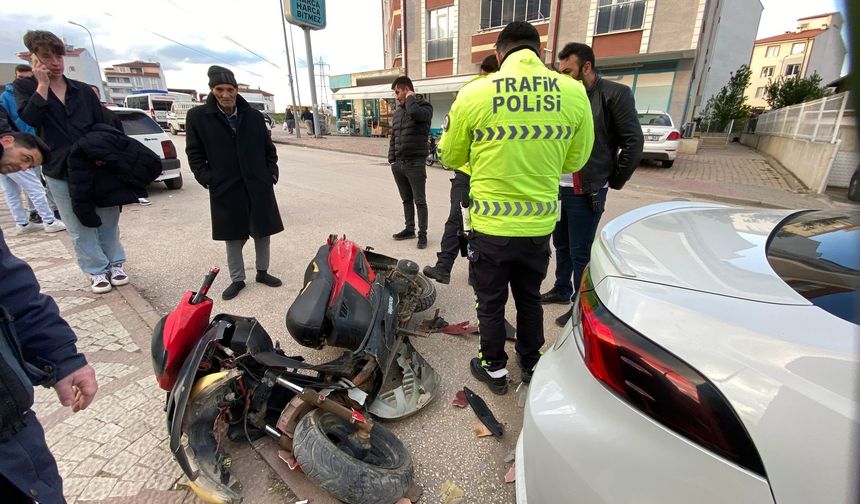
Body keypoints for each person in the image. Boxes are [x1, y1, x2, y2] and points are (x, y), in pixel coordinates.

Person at [438, 22, 594, 395]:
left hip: (491, 227)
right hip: (538, 227)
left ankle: (493, 368)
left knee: (490, 301)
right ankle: (530, 361)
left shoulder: (475, 92)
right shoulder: (572, 92)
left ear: (499, 53)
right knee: (529, 297)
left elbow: (449, 156)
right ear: (541, 52)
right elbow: (576, 160)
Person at [0, 132, 98, 503]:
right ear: (8, 140)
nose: (21, 168)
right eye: (25, 159)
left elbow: (10, 286)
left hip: (9, 434)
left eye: (29, 165)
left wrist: (61, 358)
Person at [15, 30, 130, 294]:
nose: (55, 62)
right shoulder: (27, 88)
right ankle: (96, 269)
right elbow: (30, 119)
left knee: (107, 216)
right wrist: (42, 85)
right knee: (76, 222)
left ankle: (115, 262)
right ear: (34, 58)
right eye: (47, 57)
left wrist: (104, 155)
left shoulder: (82, 90)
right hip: (59, 167)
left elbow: (101, 123)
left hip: (93, 163)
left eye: (58, 56)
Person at [540, 43, 643, 327]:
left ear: (586, 67)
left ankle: (580, 304)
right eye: (561, 72)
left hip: (586, 188)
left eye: (569, 72)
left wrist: (612, 180)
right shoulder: (562, 96)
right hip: (557, 187)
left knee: (580, 251)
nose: (563, 77)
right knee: (561, 244)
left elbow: (633, 142)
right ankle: (562, 289)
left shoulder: (614, 94)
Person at [185, 65, 284, 301]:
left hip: (258, 184)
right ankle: (237, 279)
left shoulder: (253, 116)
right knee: (233, 236)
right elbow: (194, 154)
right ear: (211, 90)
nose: (225, 94)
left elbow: (269, 150)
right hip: (226, 186)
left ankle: (262, 272)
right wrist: (208, 179)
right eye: (220, 89)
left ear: (236, 90)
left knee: (263, 231)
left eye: (230, 89)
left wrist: (271, 174)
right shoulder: (198, 117)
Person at [423, 54, 499, 284]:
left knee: (458, 220)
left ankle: (445, 267)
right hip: (491, 173)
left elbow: (452, 144)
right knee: (482, 224)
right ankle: (470, 269)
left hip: (468, 172)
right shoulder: (508, 97)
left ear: (482, 71)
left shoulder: (472, 93)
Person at [2, 63, 59, 224]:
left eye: (28, 78)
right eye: (21, 78)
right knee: (31, 185)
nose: (24, 82)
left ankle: (24, 222)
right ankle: (47, 220)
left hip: (33, 142)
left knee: (26, 185)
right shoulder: (6, 98)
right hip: (19, 146)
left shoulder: (36, 92)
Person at [0, 112, 66, 235]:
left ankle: (23, 223)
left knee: (11, 191)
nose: (23, 168)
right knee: (34, 188)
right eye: (26, 159)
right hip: (17, 143)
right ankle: (49, 221)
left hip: (17, 142)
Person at [389, 76, 433, 249]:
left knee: (419, 201)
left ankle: (422, 234)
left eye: (398, 92)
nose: (396, 97)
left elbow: (415, 113)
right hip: (399, 164)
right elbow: (394, 137)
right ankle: (409, 229)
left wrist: (410, 98)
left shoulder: (424, 107)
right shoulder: (398, 112)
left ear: (407, 90)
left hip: (415, 163)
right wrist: (392, 160)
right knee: (406, 199)